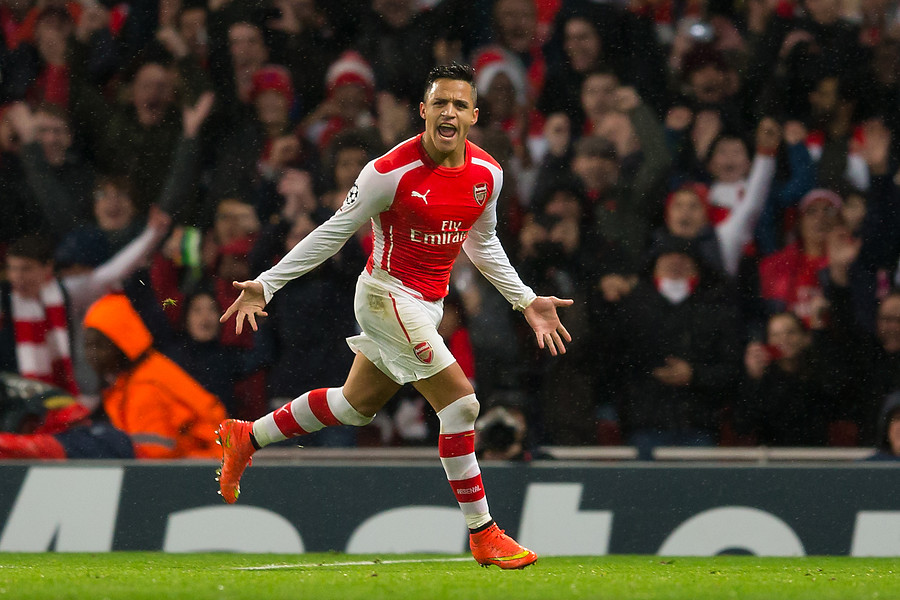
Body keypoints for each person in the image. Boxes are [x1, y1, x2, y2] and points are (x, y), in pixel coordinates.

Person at [216, 63, 572, 569]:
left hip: (427, 304)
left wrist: (525, 299)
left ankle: (247, 436)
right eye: (440, 103)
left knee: (353, 406)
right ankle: (484, 533)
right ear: (424, 111)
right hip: (386, 295)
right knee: (462, 405)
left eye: (459, 104)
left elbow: (483, 241)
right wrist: (268, 283)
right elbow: (335, 230)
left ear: (473, 115)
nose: (449, 112)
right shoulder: (388, 171)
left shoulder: (487, 174)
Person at [82, 293, 226, 459]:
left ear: (121, 343)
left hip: (206, 465)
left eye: (99, 346)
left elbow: (153, 460)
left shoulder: (144, 388)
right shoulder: (142, 372)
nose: (91, 354)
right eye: (87, 345)